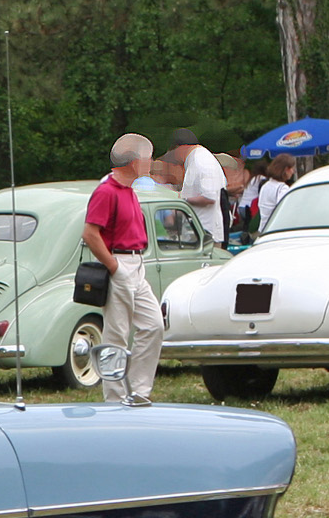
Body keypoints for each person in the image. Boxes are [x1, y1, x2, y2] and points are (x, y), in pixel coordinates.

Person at [83, 133, 162, 407]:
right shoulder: (107, 191)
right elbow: (90, 234)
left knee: (153, 325)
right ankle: (115, 397)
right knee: (116, 333)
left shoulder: (128, 189)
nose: (150, 163)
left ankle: (139, 390)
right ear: (134, 161)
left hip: (135, 263)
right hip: (119, 263)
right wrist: (115, 267)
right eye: (147, 158)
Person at [165, 129, 226, 241]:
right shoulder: (196, 159)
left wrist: (181, 199)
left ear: (180, 148)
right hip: (198, 232)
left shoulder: (202, 162)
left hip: (205, 234)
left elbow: (209, 197)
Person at [259, 153, 298, 225]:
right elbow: (285, 210)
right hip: (276, 228)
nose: (293, 172)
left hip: (263, 228)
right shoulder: (282, 189)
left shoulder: (265, 186)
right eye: (292, 168)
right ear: (286, 169)